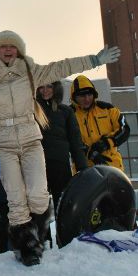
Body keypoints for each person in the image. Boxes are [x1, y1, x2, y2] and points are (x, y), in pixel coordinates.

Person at [0, 31, 120, 266]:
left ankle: (36, 234)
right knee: (15, 199)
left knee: (38, 196)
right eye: (3, 46)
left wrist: (94, 60)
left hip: (30, 140)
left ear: (19, 50)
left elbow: (61, 67)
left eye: (13, 46)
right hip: (2, 143)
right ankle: (26, 246)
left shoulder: (30, 70)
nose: (8, 50)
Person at [35, 81, 88, 209]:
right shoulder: (30, 111)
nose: (45, 90)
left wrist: (82, 168)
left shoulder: (65, 111)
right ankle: (41, 223)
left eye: (49, 86)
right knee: (38, 205)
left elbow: (75, 141)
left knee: (63, 204)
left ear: (56, 88)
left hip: (60, 164)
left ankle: (64, 223)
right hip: (36, 164)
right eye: (41, 87)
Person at [70, 75, 129, 171]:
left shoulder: (108, 109)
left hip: (112, 167)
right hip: (84, 170)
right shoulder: (69, 114)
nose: (87, 99)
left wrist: (106, 143)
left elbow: (124, 129)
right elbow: (68, 140)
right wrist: (90, 153)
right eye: (82, 96)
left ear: (94, 94)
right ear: (74, 97)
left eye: (89, 95)